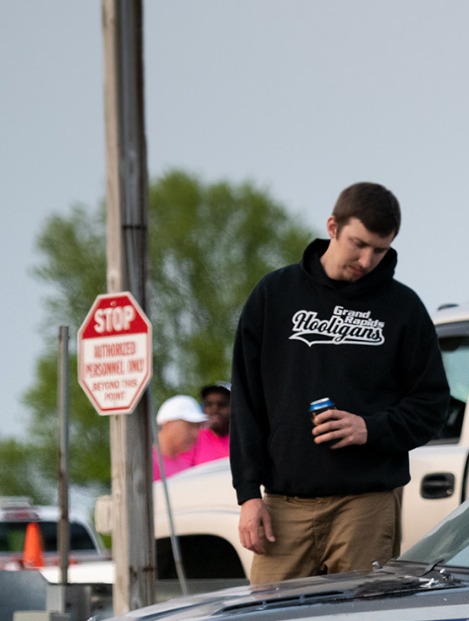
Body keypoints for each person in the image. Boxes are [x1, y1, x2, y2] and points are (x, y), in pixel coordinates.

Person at [230, 182, 449, 584]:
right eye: (358, 244)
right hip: (283, 506)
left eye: (380, 250)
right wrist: (247, 495)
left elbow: (432, 405)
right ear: (332, 226)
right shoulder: (274, 295)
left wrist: (371, 428)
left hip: (364, 506)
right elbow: (245, 401)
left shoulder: (403, 308)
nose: (366, 260)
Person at [153, 394, 210, 480]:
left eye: (198, 427)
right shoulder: (146, 465)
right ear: (167, 424)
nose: (196, 433)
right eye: (190, 426)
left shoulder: (186, 466)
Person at [195, 381, 232, 464]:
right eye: (209, 404)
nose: (214, 410)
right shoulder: (195, 439)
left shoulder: (243, 437)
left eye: (222, 404)